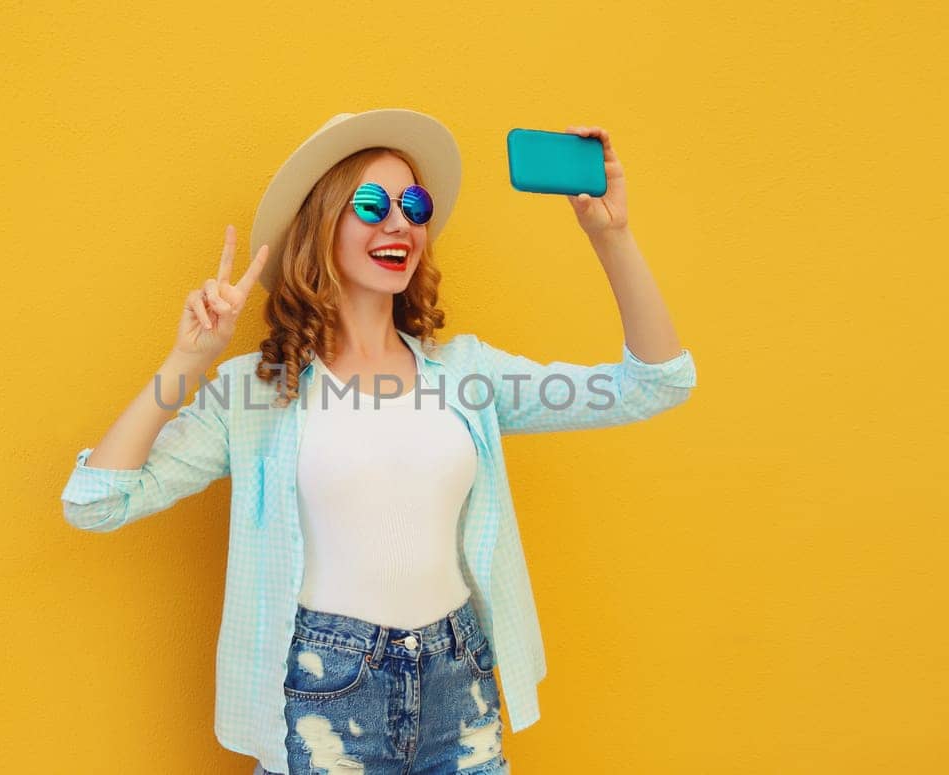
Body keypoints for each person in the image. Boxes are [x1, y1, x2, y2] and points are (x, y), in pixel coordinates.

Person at [61, 108, 697, 775]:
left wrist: (613, 237)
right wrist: (186, 361)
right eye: (372, 203)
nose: (400, 222)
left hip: (461, 685)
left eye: (414, 205)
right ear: (321, 227)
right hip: (327, 696)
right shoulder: (256, 392)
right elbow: (96, 500)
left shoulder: (468, 376)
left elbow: (654, 385)